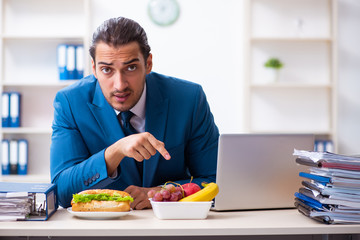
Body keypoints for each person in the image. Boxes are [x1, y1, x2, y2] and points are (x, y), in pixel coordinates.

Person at [50, 17, 219, 209]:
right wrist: (115, 152)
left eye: (130, 67)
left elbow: (213, 180)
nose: (120, 85)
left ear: (148, 64)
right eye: (107, 69)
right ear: (94, 69)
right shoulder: (70, 103)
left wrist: (162, 193)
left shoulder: (189, 99)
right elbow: (61, 193)